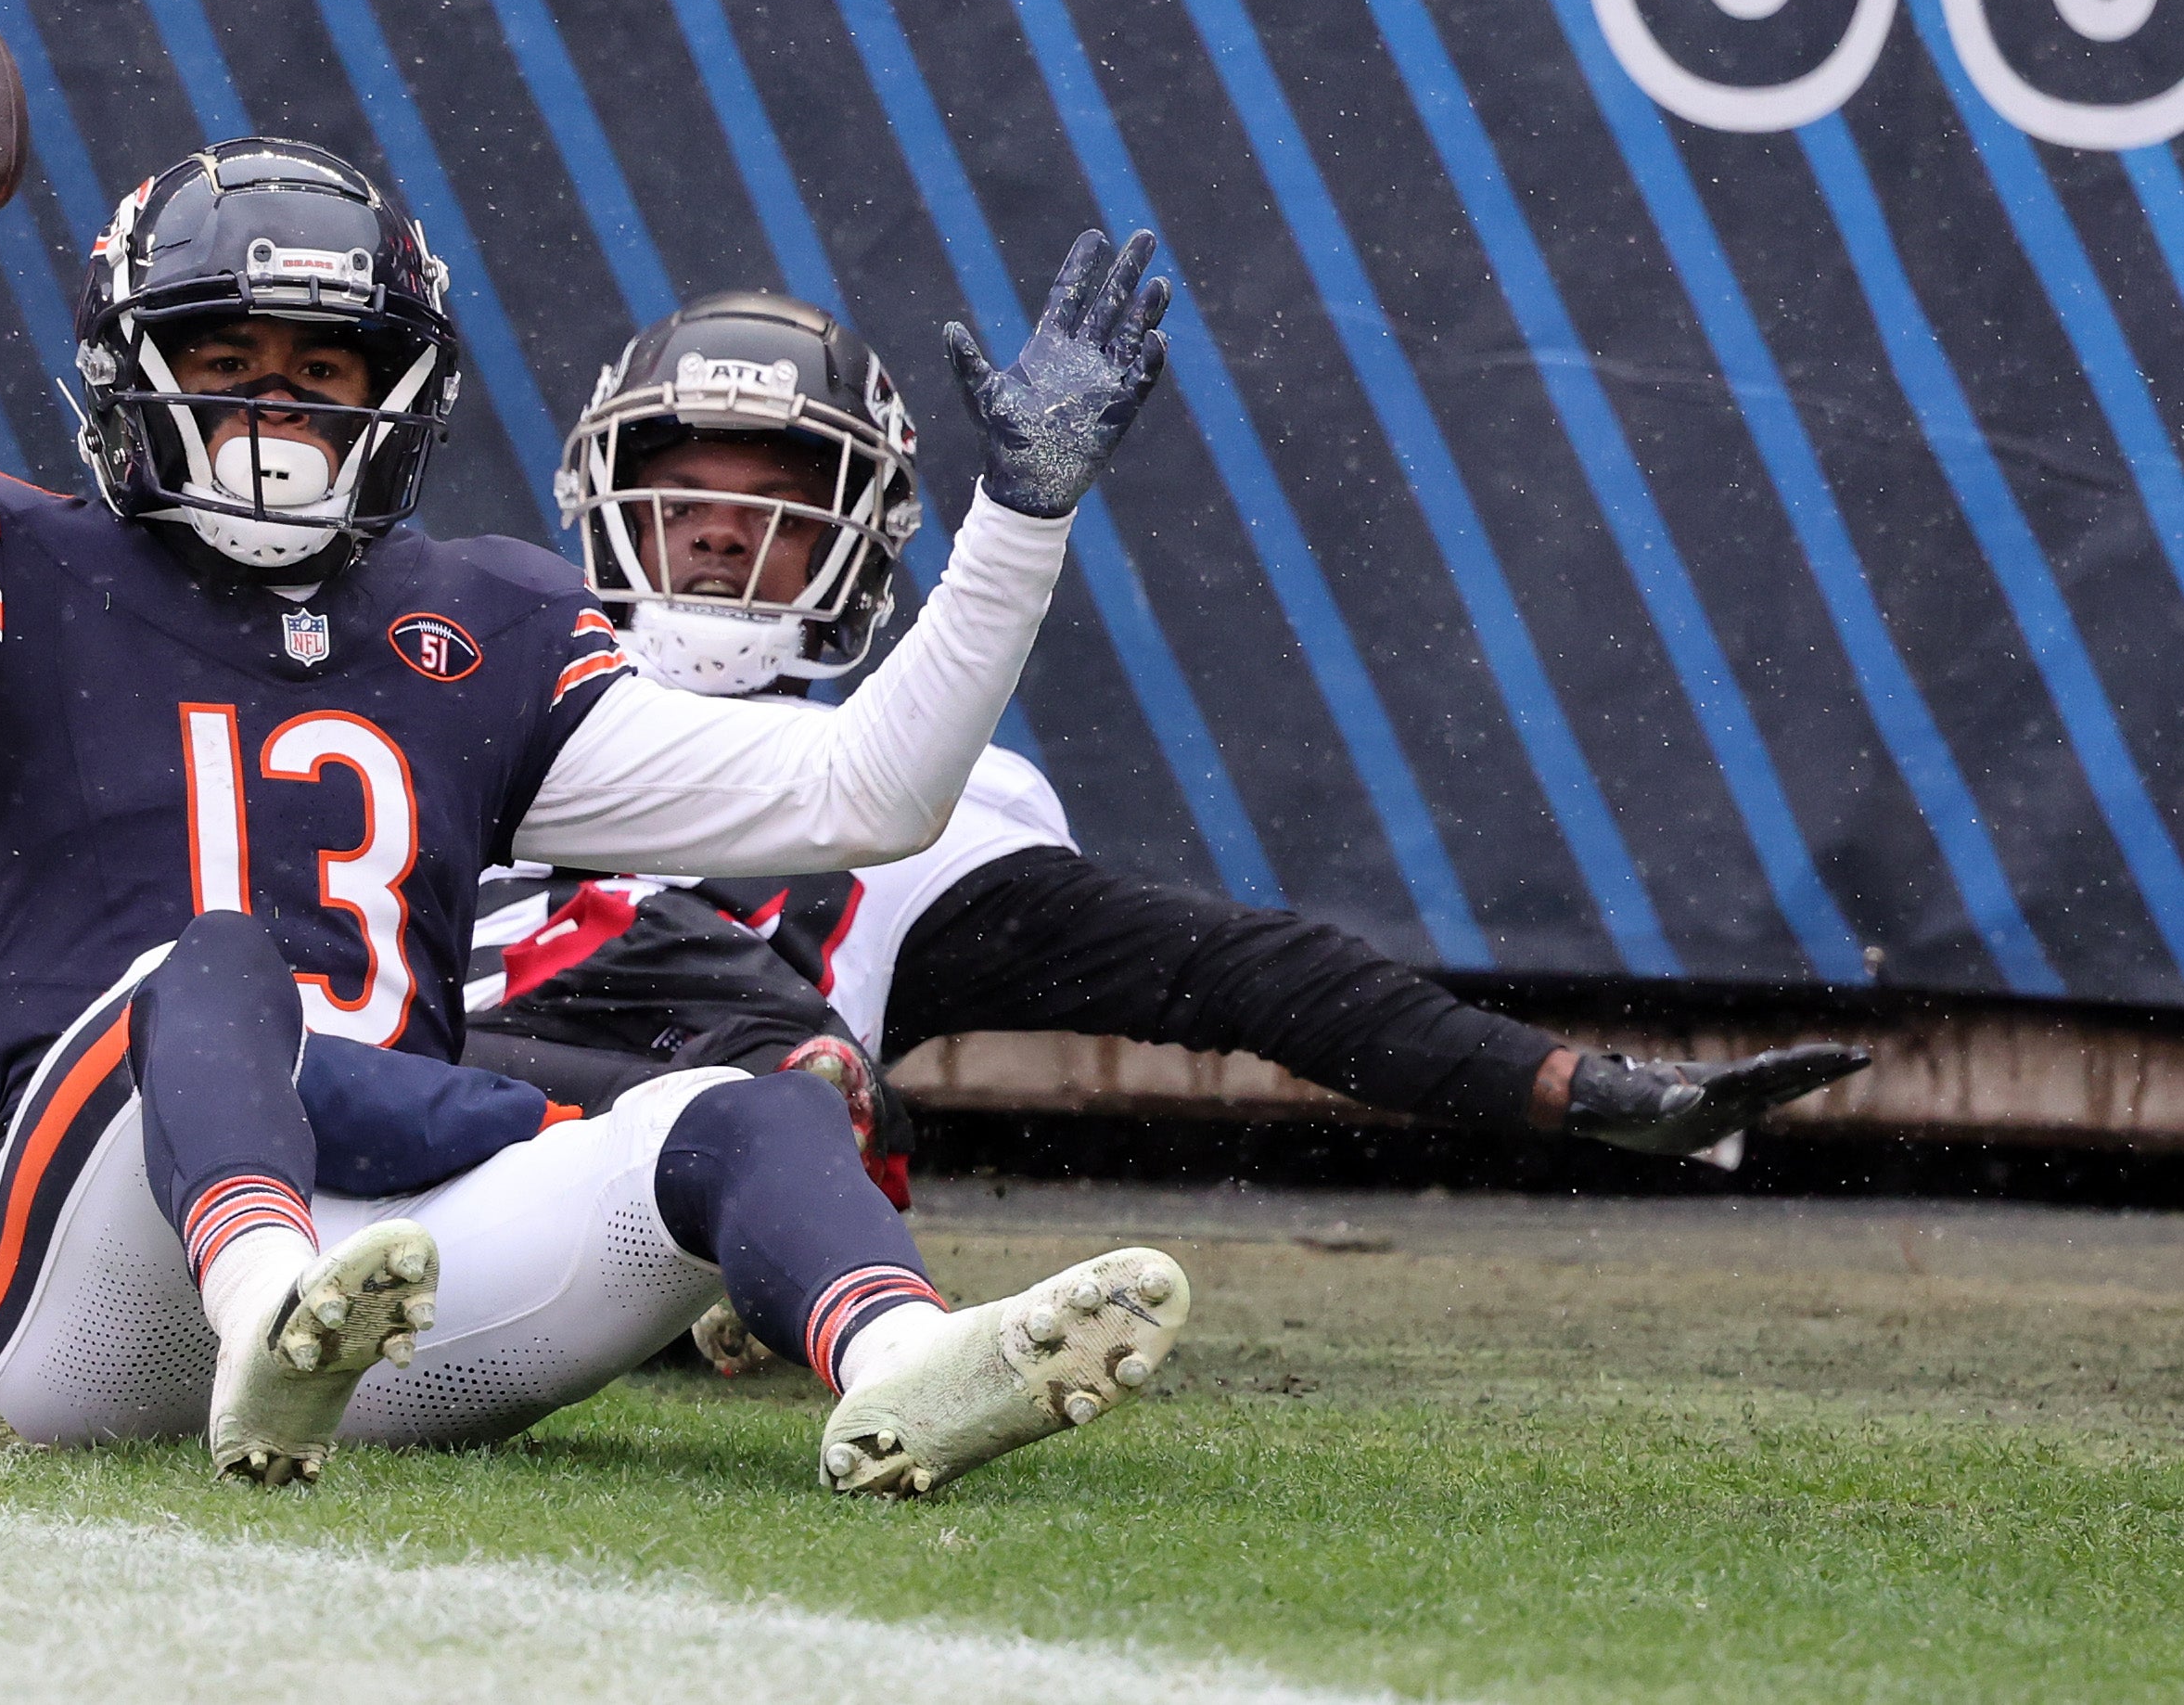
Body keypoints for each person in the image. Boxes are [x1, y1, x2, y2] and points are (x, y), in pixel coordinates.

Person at [0, 0, 1187, 1497]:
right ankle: (259, 1303)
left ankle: (899, 1361)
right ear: (131, 377)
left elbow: (869, 787)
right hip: (90, 1279)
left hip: (392, 1264)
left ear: (401, 390)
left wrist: (1016, 521)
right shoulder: (14, 562)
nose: (276, 409)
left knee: (743, 1115)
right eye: (225, 362)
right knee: (221, 960)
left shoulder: (479, 627)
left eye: (323, 368)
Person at [456, 289, 1871, 1374]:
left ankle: (781, 1249)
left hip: (657, 1197)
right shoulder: (462, 687)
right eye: (690, 487)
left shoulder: (924, 813)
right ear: (601, 498)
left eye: (771, 499)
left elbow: (1246, 972)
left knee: (724, 1065)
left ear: (861, 534)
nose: (716, 531)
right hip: (413, 1132)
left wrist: (1571, 1086)